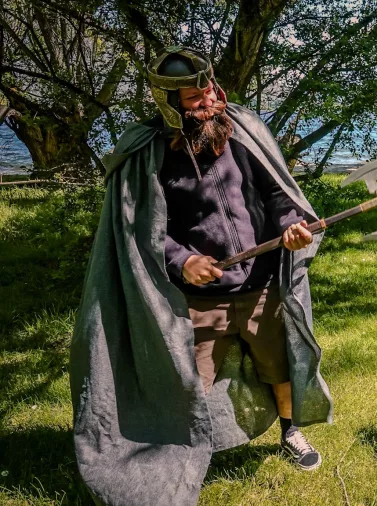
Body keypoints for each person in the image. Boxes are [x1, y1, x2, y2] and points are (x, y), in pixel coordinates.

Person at [70, 47, 332, 505]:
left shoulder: (244, 131)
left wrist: (293, 223)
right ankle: (179, 453)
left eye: (208, 90)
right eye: (193, 98)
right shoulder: (145, 153)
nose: (207, 102)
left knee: (281, 367)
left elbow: (277, 193)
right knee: (186, 383)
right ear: (169, 106)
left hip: (261, 287)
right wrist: (182, 260)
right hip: (198, 298)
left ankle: (292, 435)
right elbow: (137, 228)